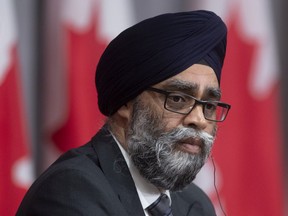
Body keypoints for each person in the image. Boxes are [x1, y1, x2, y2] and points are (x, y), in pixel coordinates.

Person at [17, 10, 231, 216]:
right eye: (177, 99)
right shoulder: (70, 192)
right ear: (126, 103)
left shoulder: (195, 204)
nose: (199, 119)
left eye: (209, 105)